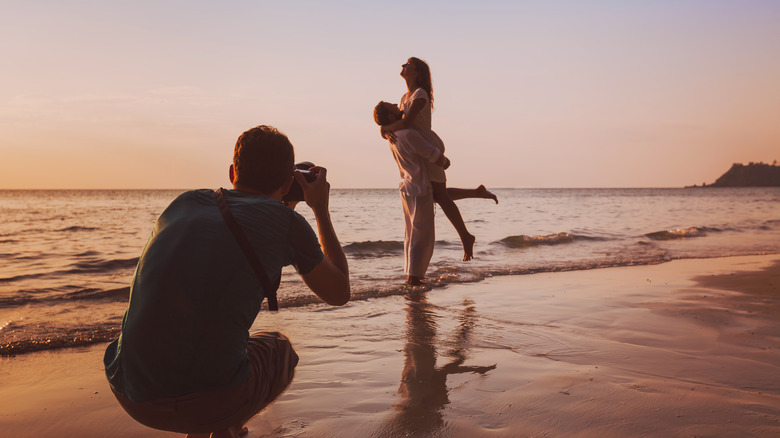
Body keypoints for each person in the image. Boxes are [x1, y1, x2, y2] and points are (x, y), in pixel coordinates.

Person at [103, 125, 350, 438]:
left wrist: (285, 204)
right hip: (206, 401)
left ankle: (213, 424)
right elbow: (339, 292)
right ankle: (223, 425)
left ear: (233, 172)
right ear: (288, 183)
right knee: (279, 349)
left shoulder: (186, 203)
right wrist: (321, 209)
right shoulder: (287, 225)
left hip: (129, 391)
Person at [380, 57, 497, 261]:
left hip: (428, 146)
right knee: (433, 195)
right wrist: (384, 129)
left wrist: (384, 128)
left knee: (440, 197)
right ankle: (477, 193)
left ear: (418, 73)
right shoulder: (403, 98)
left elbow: (406, 121)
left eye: (408, 64)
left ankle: (466, 237)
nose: (403, 66)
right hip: (419, 150)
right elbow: (396, 120)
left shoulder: (420, 94)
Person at [374, 101, 449, 285]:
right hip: (418, 187)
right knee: (422, 235)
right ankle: (414, 278)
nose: (396, 104)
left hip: (406, 187)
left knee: (411, 233)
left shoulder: (393, 135)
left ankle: (412, 275)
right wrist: (444, 161)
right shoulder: (407, 134)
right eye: (392, 107)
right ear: (391, 116)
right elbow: (431, 153)